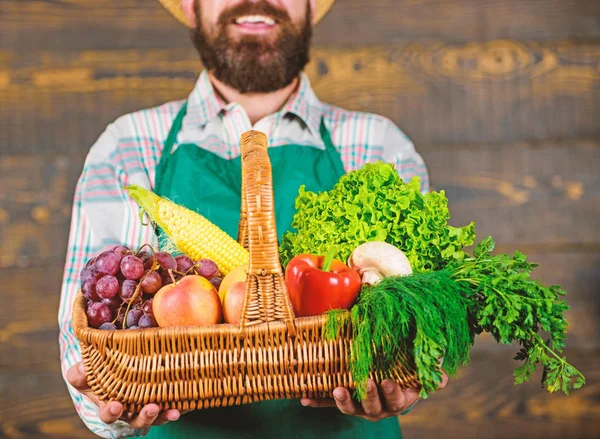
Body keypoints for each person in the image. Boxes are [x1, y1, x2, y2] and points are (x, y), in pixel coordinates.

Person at [59, 0, 445, 438]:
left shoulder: (379, 146)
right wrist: (111, 407)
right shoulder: (127, 146)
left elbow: (420, 327)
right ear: (190, 6)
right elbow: (87, 338)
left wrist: (410, 378)